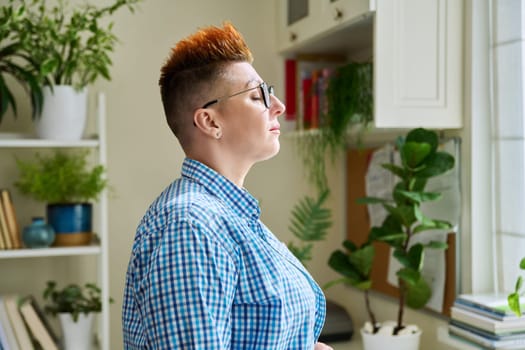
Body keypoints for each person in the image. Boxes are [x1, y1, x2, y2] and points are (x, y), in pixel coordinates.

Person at [122, 22, 331, 350]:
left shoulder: (229, 217)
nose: (278, 106)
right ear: (210, 121)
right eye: (257, 95)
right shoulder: (188, 226)